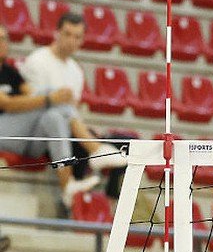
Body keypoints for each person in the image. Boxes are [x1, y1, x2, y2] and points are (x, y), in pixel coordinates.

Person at [4, 14, 125, 207]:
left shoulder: (75, 71)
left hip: (47, 135)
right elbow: (18, 104)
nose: (71, 41)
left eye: (77, 37)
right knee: (53, 101)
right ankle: (95, 150)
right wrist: (53, 98)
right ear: (57, 33)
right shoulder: (38, 61)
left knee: (54, 115)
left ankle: (70, 186)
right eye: (67, 34)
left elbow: (66, 111)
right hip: (19, 131)